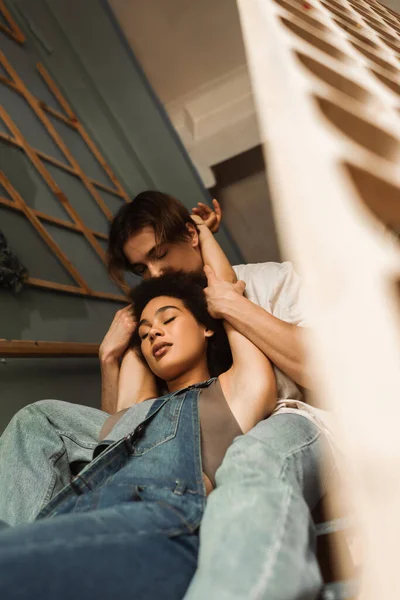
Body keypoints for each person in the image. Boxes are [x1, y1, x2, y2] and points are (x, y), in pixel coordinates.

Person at [0, 192, 334, 599]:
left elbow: (328, 372)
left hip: (248, 432)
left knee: (249, 460)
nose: (154, 274)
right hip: (158, 441)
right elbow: (120, 434)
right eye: (142, 268)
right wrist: (110, 358)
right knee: (38, 419)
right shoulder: (160, 335)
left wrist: (227, 299)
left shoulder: (262, 287)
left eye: (160, 255)